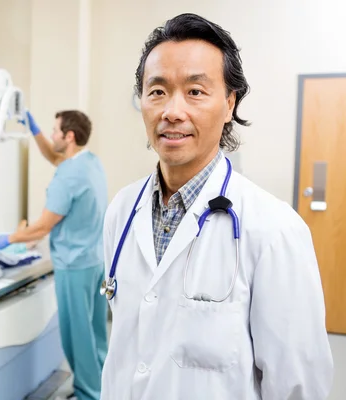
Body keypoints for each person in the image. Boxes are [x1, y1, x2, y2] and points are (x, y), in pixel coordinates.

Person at [100, 13, 333, 400]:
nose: (172, 111)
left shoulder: (274, 230)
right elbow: (127, 349)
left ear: (229, 104)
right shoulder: (122, 212)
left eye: (195, 91)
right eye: (157, 91)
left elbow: (299, 386)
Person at [0, 110, 109, 400]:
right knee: (95, 332)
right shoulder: (89, 162)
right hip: (96, 261)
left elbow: (41, 227)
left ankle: (88, 394)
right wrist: (35, 131)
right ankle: (103, 386)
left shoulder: (68, 177)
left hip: (74, 266)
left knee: (77, 336)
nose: (51, 136)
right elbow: (55, 158)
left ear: (69, 137)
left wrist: (6, 239)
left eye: (54, 131)